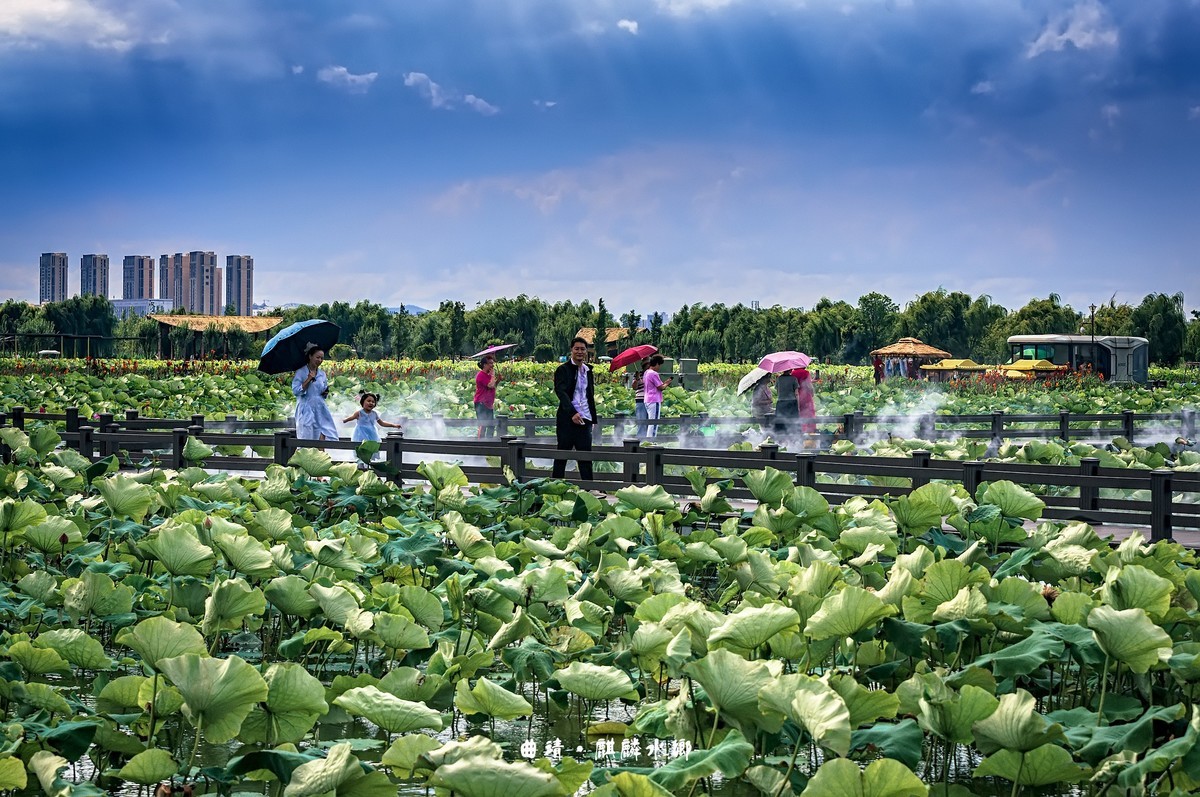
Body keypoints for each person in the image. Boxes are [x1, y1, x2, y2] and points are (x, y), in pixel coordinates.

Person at [552, 337, 597, 480]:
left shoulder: (588, 370)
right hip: (567, 419)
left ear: (586, 351)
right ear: (571, 350)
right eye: (576, 349)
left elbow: (589, 395)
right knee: (562, 455)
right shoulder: (563, 370)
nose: (579, 352)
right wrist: (572, 413)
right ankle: (555, 486)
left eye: (582, 349)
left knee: (585, 457)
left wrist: (593, 419)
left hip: (585, 418)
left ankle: (588, 487)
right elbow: (561, 392)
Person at [292, 343, 338, 442]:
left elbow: (323, 390)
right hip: (306, 408)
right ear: (310, 356)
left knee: (325, 434)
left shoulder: (322, 374)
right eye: (317, 357)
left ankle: (322, 452)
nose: (320, 360)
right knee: (306, 436)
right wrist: (308, 379)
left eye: (322, 358)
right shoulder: (301, 372)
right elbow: (296, 391)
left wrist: (325, 392)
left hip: (320, 408)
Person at [642, 354, 672, 438]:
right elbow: (661, 387)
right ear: (657, 363)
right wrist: (667, 383)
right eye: (659, 365)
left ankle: (649, 439)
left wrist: (665, 383)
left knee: (651, 422)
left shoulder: (646, 372)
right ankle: (651, 440)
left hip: (647, 399)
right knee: (654, 422)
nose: (659, 367)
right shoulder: (653, 373)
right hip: (654, 400)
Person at [474, 356, 500, 437]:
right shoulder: (481, 375)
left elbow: (493, 386)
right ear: (484, 365)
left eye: (493, 363)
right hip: (481, 403)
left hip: (489, 404)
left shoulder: (488, 375)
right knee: (483, 425)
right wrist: (493, 375)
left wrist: (498, 380)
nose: (492, 365)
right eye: (490, 363)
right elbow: (490, 385)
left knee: (491, 425)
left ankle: (489, 441)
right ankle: (481, 442)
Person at [625, 358, 649, 438]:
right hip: (640, 399)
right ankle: (641, 439)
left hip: (650, 400)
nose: (648, 366)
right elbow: (634, 387)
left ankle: (649, 439)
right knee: (641, 420)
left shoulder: (652, 374)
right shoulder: (638, 374)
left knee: (650, 421)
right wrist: (637, 379)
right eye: (646, 365)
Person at [773, 368, 799, 434]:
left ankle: (781, 438)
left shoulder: (779, 379)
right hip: (791, 402)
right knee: (793, 422)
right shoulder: (794, 379)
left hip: (781, 402)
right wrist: (798, 406)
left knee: (780, 422)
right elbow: (796, 393)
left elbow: (777, 391)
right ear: (790, 370)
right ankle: (793, 438)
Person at [794, 367, 817, 439]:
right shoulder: (805, 373)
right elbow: (809, 385)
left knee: (800, 414)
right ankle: (810, 434)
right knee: (809, 414)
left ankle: (801, 433)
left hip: (797, 396)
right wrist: (812, 393)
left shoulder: (793, 373)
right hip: (806, 396)